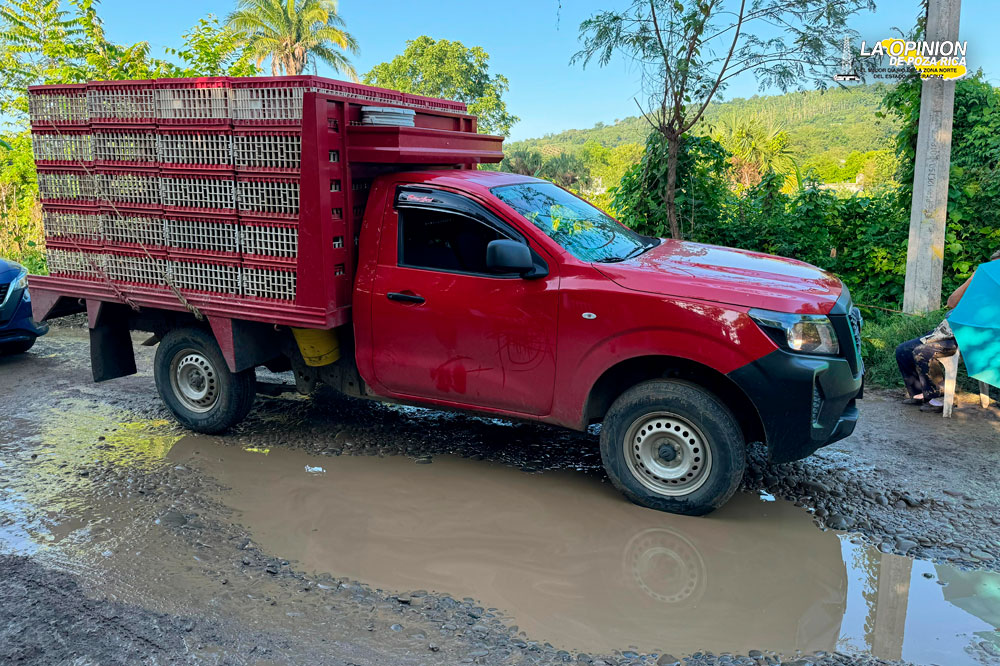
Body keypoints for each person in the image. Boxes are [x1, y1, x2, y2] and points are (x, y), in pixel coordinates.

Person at [895, 249, 1000, 413]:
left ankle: (941, 397)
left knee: (922, 352)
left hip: (968, 340)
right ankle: (919, 394)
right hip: (946, 332)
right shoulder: (978, 288)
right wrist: (971, 279)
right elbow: (951, 302)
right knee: (902, 350)